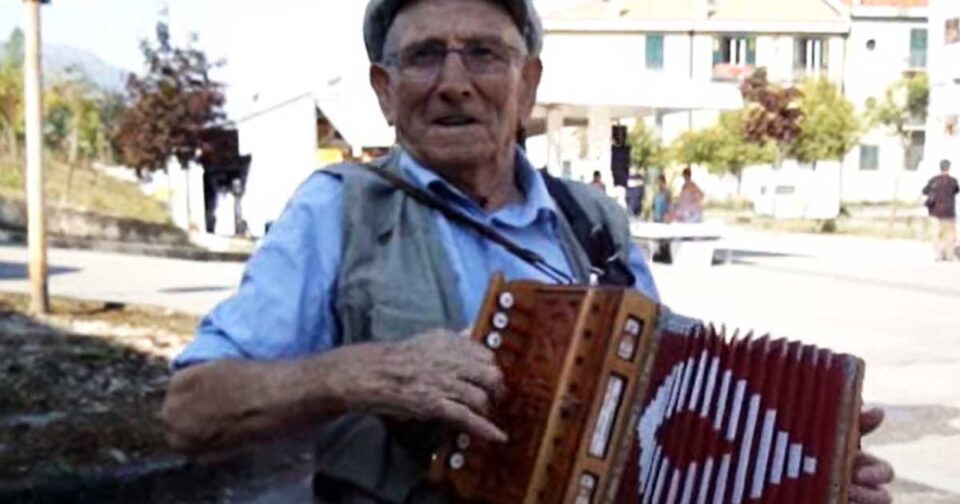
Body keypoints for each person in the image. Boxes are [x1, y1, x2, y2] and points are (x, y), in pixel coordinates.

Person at [162, 1, 893, 502]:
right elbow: (191, 412)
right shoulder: (339, 208)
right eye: (423, 58)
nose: (454, 82)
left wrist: (805, 466)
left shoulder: (595, 220)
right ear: (385, 92)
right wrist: (362, 374)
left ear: (528, 82)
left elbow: (662, 411)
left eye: (483, 53)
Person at [923, 159, 959, 261]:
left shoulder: (934, 180)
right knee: (949, 235)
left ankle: (938, 254)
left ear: (940, 167)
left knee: (937, 233)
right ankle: (949, 255)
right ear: (949, 168)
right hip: (949, 212)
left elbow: (925, 191)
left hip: (936, 212)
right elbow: (956, 191)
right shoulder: (953, 181)